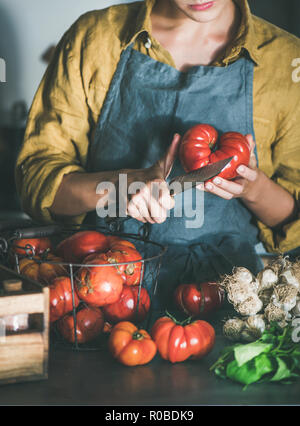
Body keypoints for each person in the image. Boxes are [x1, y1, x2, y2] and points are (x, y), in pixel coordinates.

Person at [16, 0, 300, 310]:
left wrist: (254, 188)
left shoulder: (287, 61)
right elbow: (37, 182)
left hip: (230, 301)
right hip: (102, 296)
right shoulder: (95, 38)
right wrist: (122, 186)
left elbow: (293, 223)